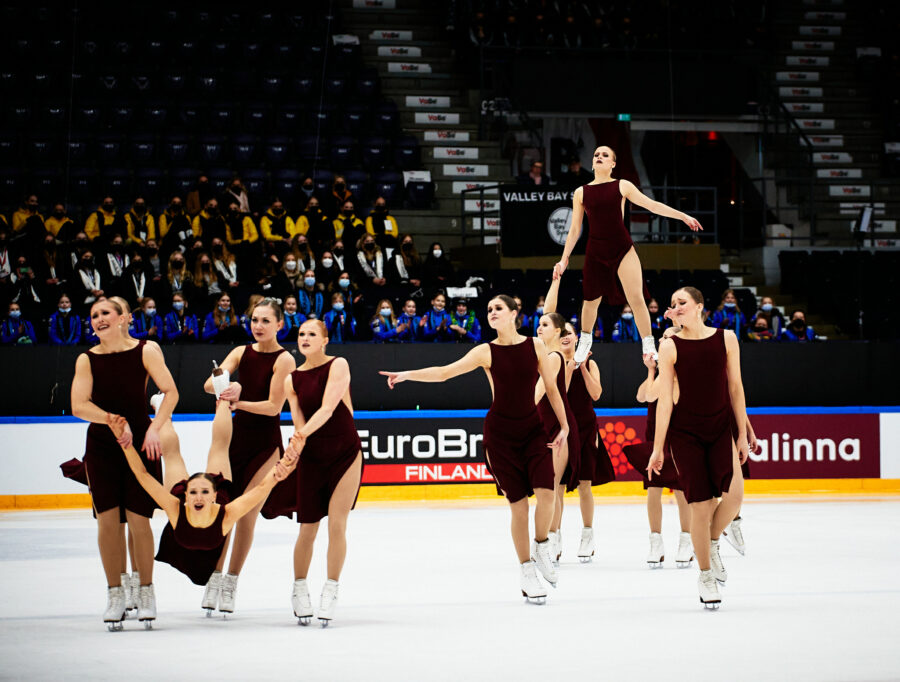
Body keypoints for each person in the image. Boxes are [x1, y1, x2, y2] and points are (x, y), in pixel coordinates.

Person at [380, 295, 569, 603]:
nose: (492, 313)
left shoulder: (536, 345)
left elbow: (550, 388)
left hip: (533, 431)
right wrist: (406, 375)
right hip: (501, 436)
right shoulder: (485, 350)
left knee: (547, 494)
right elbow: (444, 372)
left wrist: (564, 425)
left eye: (499, 308)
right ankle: (526, 571)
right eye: (490, 309)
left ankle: (542, 544)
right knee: (519, 506)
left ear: (513, 313)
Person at [68, 297, 179, 629]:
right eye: (94, 315)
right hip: (103, 445)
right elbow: (78, 405)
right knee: (107, 522)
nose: (99, 319)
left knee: (139, 520)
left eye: (105, 313)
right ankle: (115, 592)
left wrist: (155, 429)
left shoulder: (145, 351)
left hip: (141, 443)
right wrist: (112, 420)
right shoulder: (87, 359)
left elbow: (170, 392)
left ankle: (145, 590)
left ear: (124, 318)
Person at [107, 402, 298, 593]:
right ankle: (162, 411)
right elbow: (143, 475)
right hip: (185, 506)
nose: (199, 497)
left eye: (205, 492)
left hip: (214, 500)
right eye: (193, 493)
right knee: (172, 455)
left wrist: (284, 465)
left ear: (214, 495)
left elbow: (262, 488)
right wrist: (125, 445)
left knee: (220, 447)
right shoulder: (176, 506)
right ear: (186, 495)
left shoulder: (227, 513)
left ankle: (222, 399)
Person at [554, 145, 703, 366]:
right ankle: (584, 342)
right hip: (596, 249)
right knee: (590, 300)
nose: (600, 157)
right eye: (596, 155)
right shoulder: (581, 192)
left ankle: (649, 346)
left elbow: (651, 205)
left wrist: (682, 216)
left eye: (605, 155)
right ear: (593, 163)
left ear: (613, 164)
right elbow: (575, 229)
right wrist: (564, 258)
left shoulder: (622, 185)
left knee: (636, 298)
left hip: (622, 247)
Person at [647, 286, 748, 609]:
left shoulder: (727, 338)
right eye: (672, 303)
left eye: (682, 303)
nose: (675, 307)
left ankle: (713, 542)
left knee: (734, 496)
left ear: (699, 307)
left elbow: (735, 387)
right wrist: (658, 447)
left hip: (720, 428)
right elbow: (664, 402)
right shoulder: (669, 347)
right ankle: (705, 574)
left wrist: (742, 433)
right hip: (685, 433)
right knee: (701, 507)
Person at [200, 297, 296, 615]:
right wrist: (228, 384)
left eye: (266, 321)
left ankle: (231, 582)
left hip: (265, 444)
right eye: (255, 320)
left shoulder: (284, 360)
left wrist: (238, 402)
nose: (258, 326)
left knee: (246, 515)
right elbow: (208, 385)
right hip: (235, 442)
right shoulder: (241, 352)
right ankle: (214, 577)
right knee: (224, 512)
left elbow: (273, 407)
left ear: (280, 324)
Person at [280, 320, 364, 625]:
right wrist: (296, 448)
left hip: (344, 452)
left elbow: (328, 409)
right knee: (307, 528)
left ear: (325, 340)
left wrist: (300, 437)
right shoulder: (292, 379)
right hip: (313, 457)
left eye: (311, 334)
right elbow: (299, 419)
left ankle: (331, 589)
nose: (304, 338)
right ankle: (299, 588)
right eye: (301, 334)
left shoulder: (338, 364)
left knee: (337, 525)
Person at [543, 273, 615, 562]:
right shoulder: (555, 362)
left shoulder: (591, 363)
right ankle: (554, 535)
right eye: (563, 334)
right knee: (557, 484)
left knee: (585, 483)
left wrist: (583, 366)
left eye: (571, 334)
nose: (566, 338)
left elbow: (596, 394)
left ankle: (587, 533)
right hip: (562, 427)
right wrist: (570, 366)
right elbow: (562, 390)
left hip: (585, 427)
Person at [624, 342, 693, 568]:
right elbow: (643, 396)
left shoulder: (678, 378)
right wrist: (652, 370)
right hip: (654, 438)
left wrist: (663, 371)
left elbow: (659, 396)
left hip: (676, 440)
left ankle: (686, 540)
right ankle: (656, 541)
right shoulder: (661, 375)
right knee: (653, 490)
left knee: (682, 492)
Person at [533, 311, 580, 567]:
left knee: (552, 487)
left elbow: (541, 391)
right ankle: (553, 536)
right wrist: (556, 279)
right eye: (538, 324)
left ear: (558, 331)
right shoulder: (548, 355)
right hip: (546, 424)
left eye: (545, 325)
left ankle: (551, 539)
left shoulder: (552, 357)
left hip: (557, 426)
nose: (539, 328)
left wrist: (519, 412)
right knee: (553, 488)